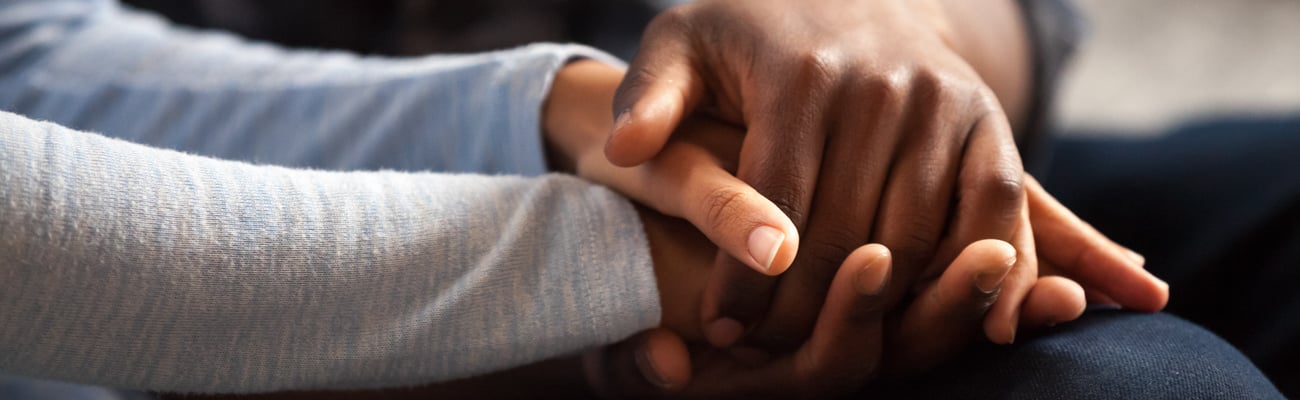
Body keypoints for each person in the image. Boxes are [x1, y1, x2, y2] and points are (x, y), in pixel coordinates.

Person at [0, 0, 1284, 398]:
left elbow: (34, 48)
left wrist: (893, 47)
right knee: (1149, 387)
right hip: (254, 308)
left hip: (670, 159)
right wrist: (623, 270)